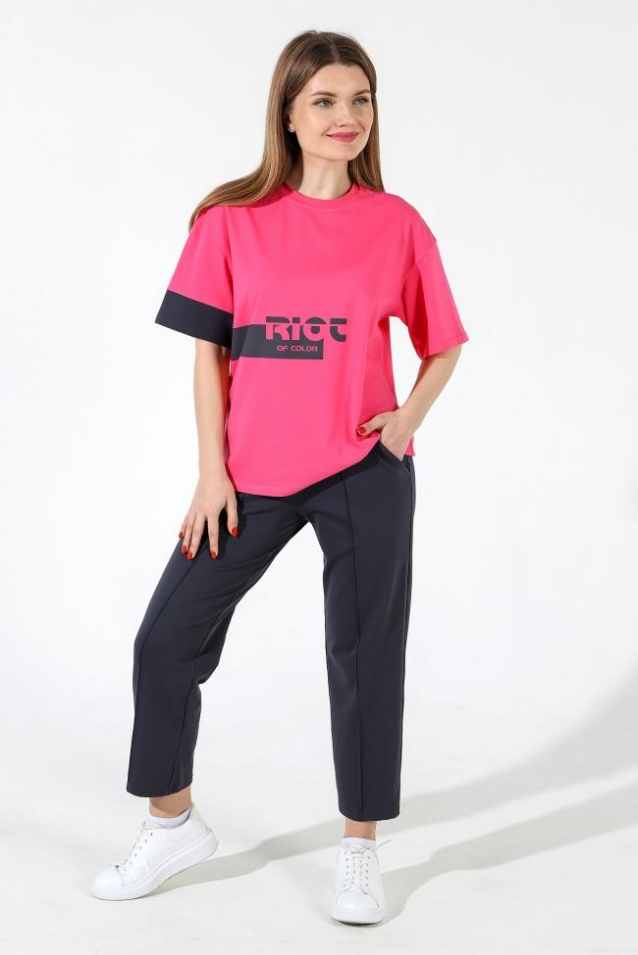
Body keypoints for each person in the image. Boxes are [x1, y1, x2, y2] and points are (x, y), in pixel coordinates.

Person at [91, 29, 469, 925]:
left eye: (360, 100)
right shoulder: (228, 222)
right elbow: (208, 356)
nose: (346, 116)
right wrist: (211, 472)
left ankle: (360, 846)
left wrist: (405, 421)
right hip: (250, 476)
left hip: (363, 470)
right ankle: (172, 821)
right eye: (324, 101)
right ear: (289, 116)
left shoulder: (397, 224)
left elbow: (444, 342)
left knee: (366, 657)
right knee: (164, 640)